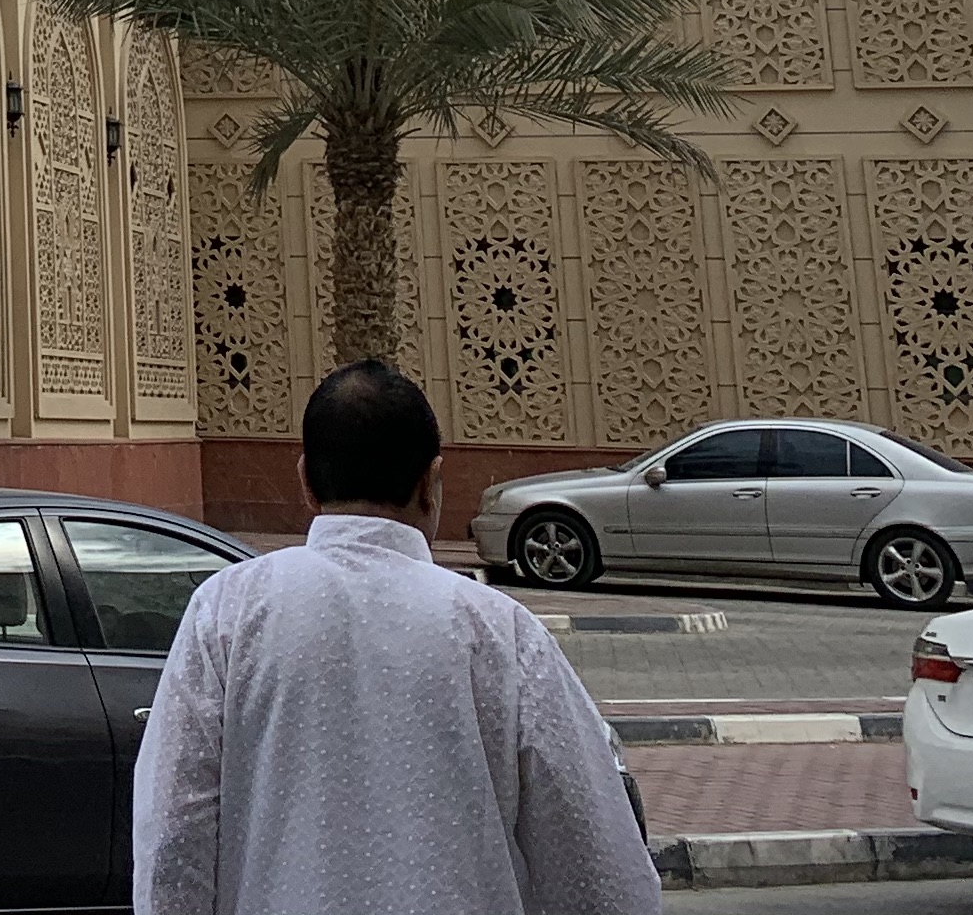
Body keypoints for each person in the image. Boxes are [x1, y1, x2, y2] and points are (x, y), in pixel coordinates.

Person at [136, 361, 660, 915]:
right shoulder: (501, 632)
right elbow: (598, 867)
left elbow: (173, 834)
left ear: (306, 482)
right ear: (430, 483)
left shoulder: (226, 613)